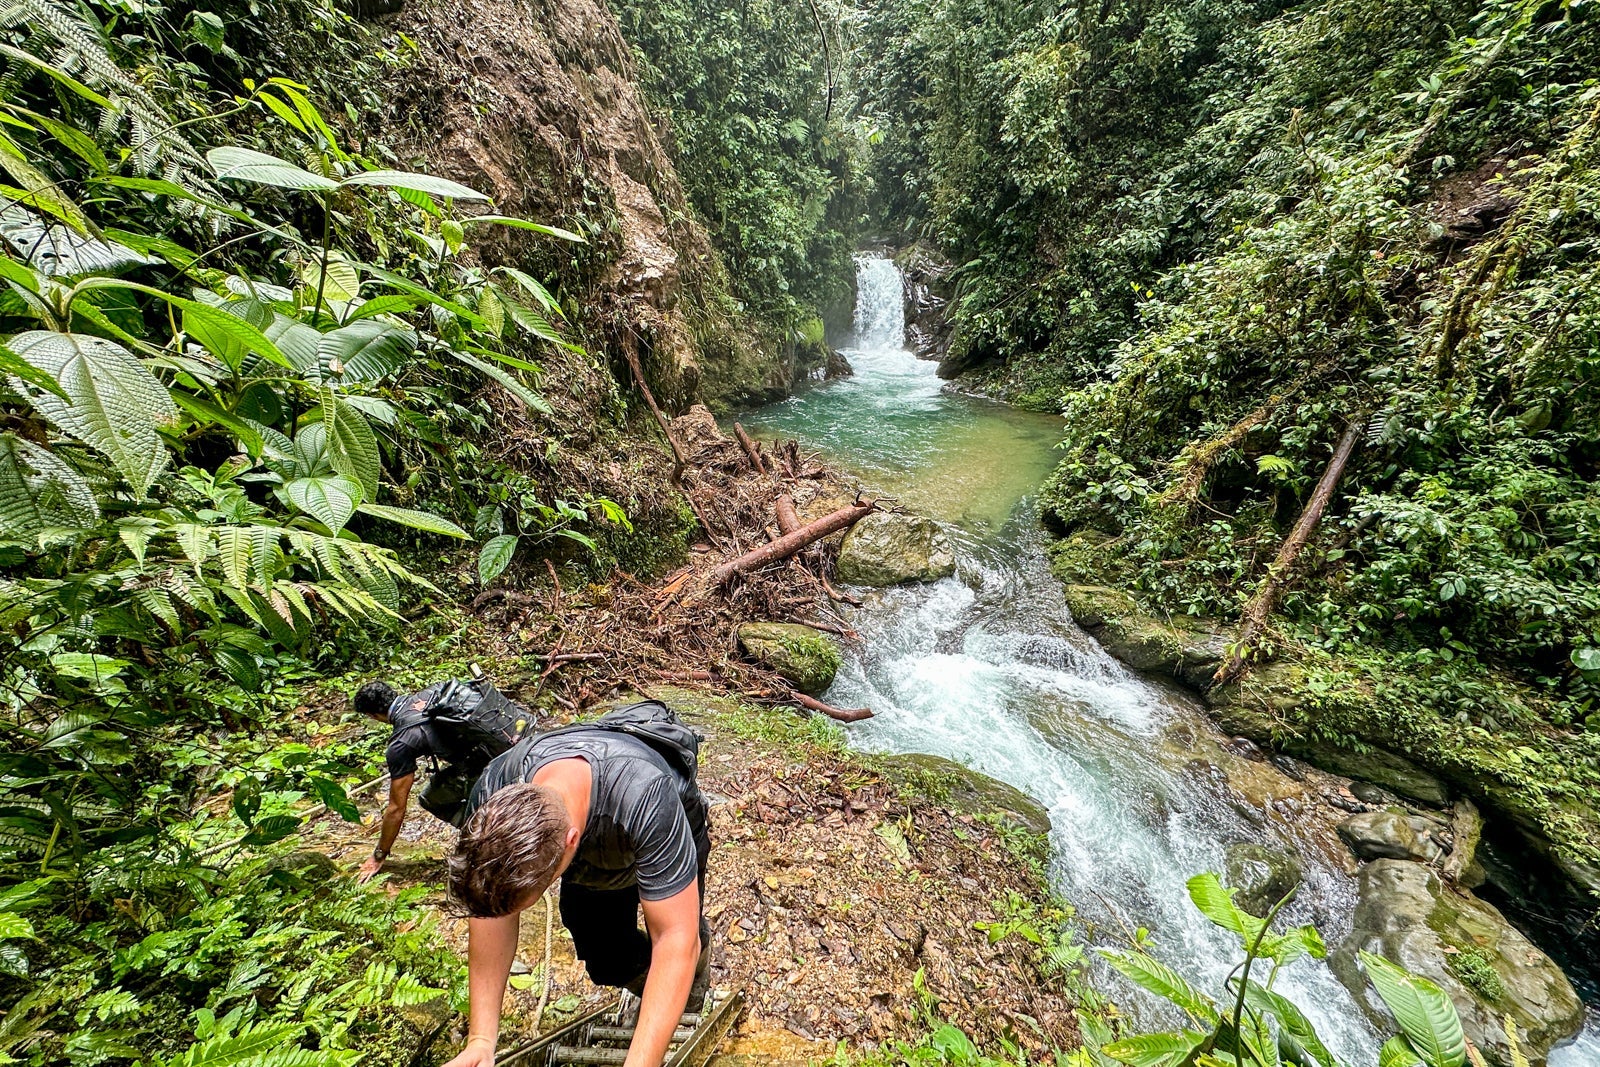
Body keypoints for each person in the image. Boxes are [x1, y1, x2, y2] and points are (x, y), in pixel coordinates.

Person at [442, 701, 711, 1067]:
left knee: (684, 931)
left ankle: (693, 988)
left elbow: (674, 938)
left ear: (570, 843)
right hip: (596, 843)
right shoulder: (493, 791)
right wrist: (481, 1040)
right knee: (605, 959)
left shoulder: (645, 793)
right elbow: (492, 912)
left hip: (663, 822)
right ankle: (649, 987)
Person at [353, 673, 529, 883]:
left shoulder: (400, 744)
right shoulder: (435, 691)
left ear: (373, 715)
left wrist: (378, 855)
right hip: (520, 740)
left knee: (430, 797)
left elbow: (396, 808)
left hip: (492, 765)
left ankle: (492, 838)